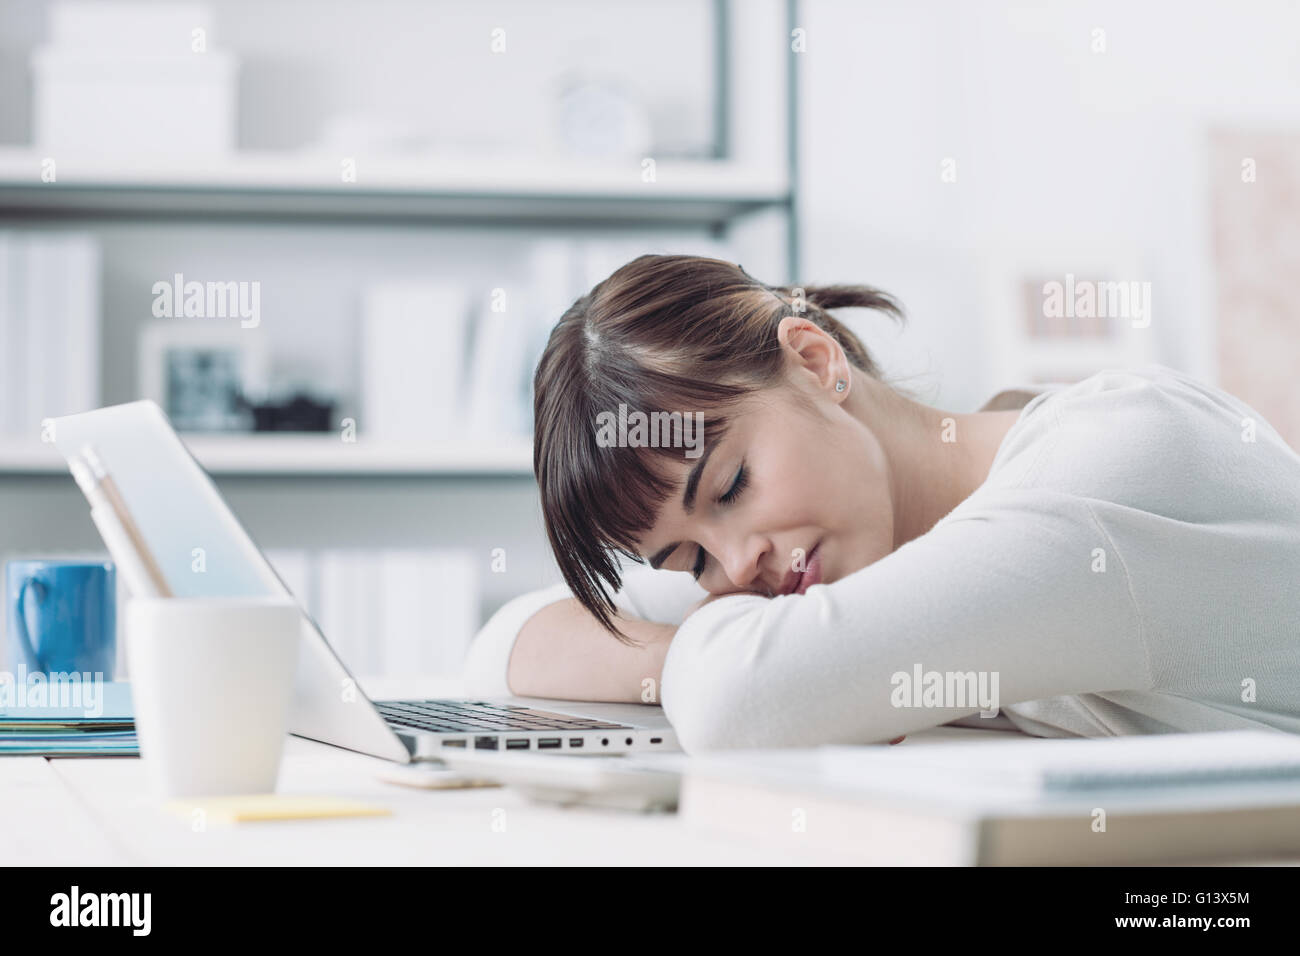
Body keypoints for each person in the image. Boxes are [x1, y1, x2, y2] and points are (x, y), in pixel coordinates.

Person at [462, 254, 1300, 753]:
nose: (738, 565)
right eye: (688, 561)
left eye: (730, 486)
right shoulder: (845, 556)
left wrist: (750, 660)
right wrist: (692, 654)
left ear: (815, 359)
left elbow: (739, 699)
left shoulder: (1095, 482)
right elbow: (507, 642)